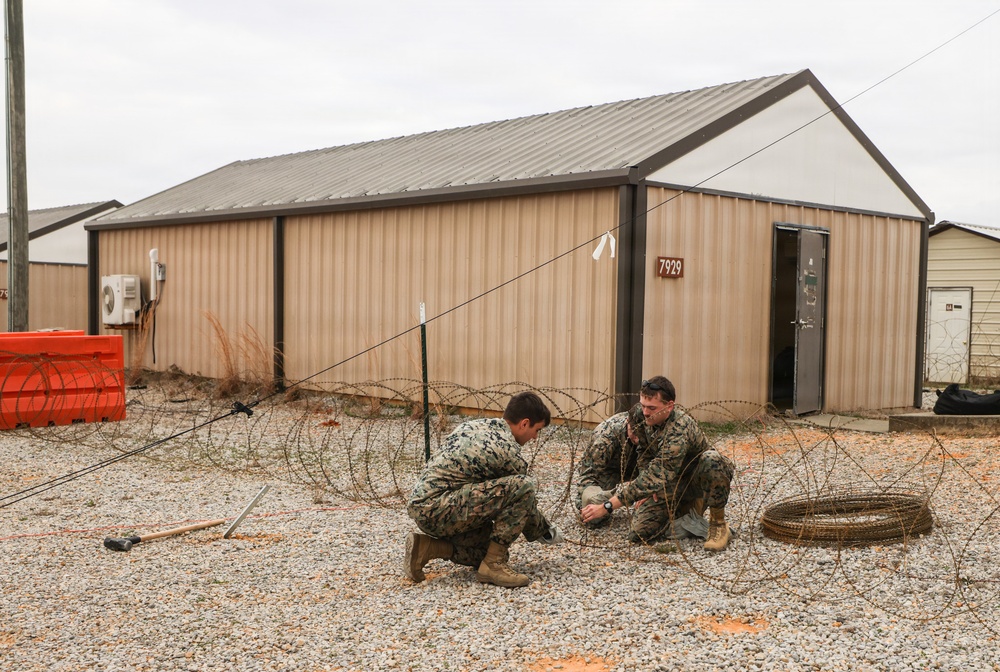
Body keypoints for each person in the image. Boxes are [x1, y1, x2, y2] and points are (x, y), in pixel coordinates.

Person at [404, 391, 564, 588]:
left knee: (487, 550)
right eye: (537, 430)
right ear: (524, 423)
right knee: (524, 485)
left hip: (425, 510)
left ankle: (427, 548)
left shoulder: (474, 426)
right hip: (440, 510)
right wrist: (546, 532)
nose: (535, 437)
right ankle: (493, 566)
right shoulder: (506, 450)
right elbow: (523, 498)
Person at [579, 376, 735, 551]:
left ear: (669, 406)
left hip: (695, 478)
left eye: (652, 408)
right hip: (670, 481)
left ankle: (718, 524)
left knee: (712, 459)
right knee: (639, 533)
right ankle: (685, 514)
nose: (645, 412)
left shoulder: (678, 428)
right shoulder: (641, 415)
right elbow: (644, 452)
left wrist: (607, 506)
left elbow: (658, 473)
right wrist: (647, 488)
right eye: (643, 405)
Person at [575, 411, 639, 527]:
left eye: (641, 433)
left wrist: (647, 491)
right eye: (634, 432)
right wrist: (592, 502)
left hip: (640, 471)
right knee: (593, 515)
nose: (638, 439)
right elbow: (588, 475)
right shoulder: (605, 439)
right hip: (609, 471)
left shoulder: (656, 430)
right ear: (627, 423)